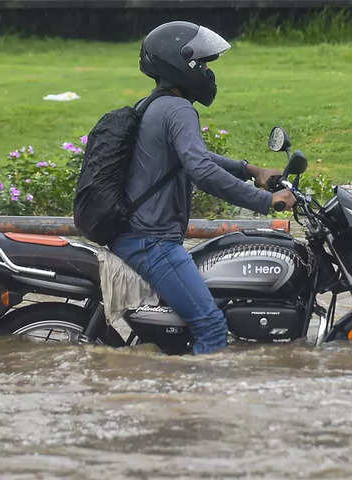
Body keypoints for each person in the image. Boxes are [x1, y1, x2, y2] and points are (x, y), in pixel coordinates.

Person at [110, 21, 296, 354]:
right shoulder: (178, 109)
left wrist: (249, 170)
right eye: (204, 64)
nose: (208, 73)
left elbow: (194, 157)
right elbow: (202, 171)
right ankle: (194, 404)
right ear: (182, 64)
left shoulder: (155, 104)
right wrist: (268, 201)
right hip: (152, 243)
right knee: (211, 326)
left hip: (138, 237)